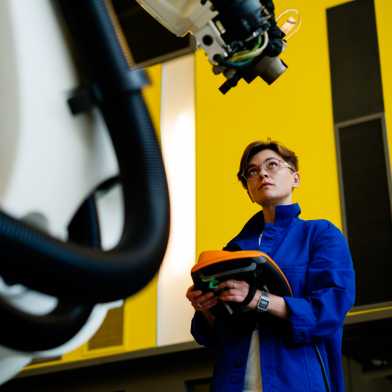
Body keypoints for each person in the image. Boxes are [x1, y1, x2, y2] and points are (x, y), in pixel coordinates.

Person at [186, 140, 355, 392]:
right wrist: (206, 308)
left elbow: (330, 308)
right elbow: (216, 336)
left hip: (299, 381)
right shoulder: (231, 252)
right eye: (252, 172)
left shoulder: (321, 235)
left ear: (295, 178)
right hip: (233, 382)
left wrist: (257, 299)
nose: (262, 173)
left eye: (272, 165)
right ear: (249, 190)